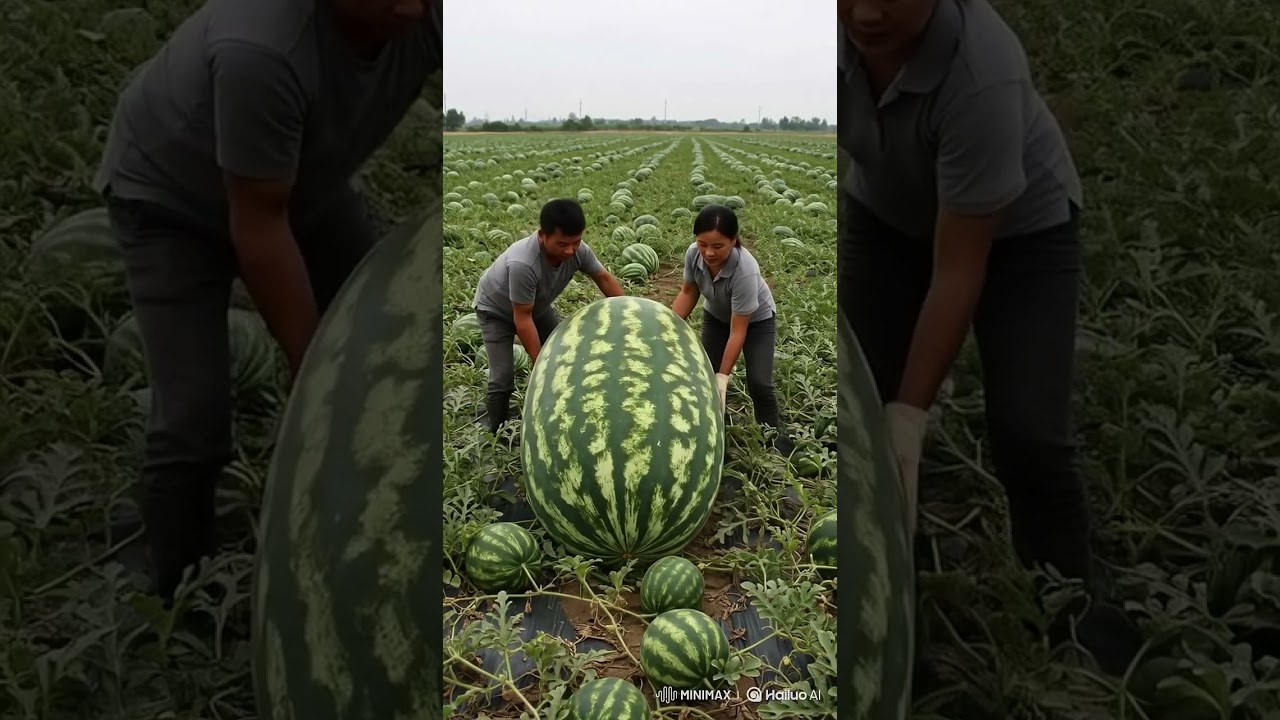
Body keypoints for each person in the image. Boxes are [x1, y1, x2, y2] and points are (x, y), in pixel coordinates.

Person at [92, 0, 441, 602]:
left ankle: (384, 504)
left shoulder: (424, 16)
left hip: (299, 178)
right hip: (172, 199)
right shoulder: (263, 49)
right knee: (193, 419)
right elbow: (258, 229)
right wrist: (316, 377)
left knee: (382, 331)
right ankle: (173, 589)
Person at [837, 0, 1142, 672]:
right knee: (854, 413)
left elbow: (957, 270)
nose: (866, 12)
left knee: (1029, 433)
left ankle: (1073, 613)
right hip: (886, 218)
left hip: (1017, 238)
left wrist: (909, 415)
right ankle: (883, 597)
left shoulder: (983, 73)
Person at [473, 198, 626, 434]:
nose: (570, 250)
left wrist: (628, 310)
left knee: (563, 354)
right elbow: (522, 319)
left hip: (536, 305)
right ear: (542, 235)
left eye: (576, 242)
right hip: (496, 310)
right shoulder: (524, 263)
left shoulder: (578, 250)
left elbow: (603, 278)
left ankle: (563, 410)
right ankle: (496, 429)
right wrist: (539, 362)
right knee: (503, 377)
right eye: (562, 243)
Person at [671, 205, 795, 456]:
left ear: (734, 239)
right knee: (704, 375)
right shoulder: (694, 255)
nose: (708, 252)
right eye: (702, 243)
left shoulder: (745, 271)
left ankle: (773, 436)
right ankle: (711, 428)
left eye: (718, 246)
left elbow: (738, 331)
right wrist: (667, 325)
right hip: (716, 317)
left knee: (759, 382)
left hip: (757, 322)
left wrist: (724, 376)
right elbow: (688, 292)